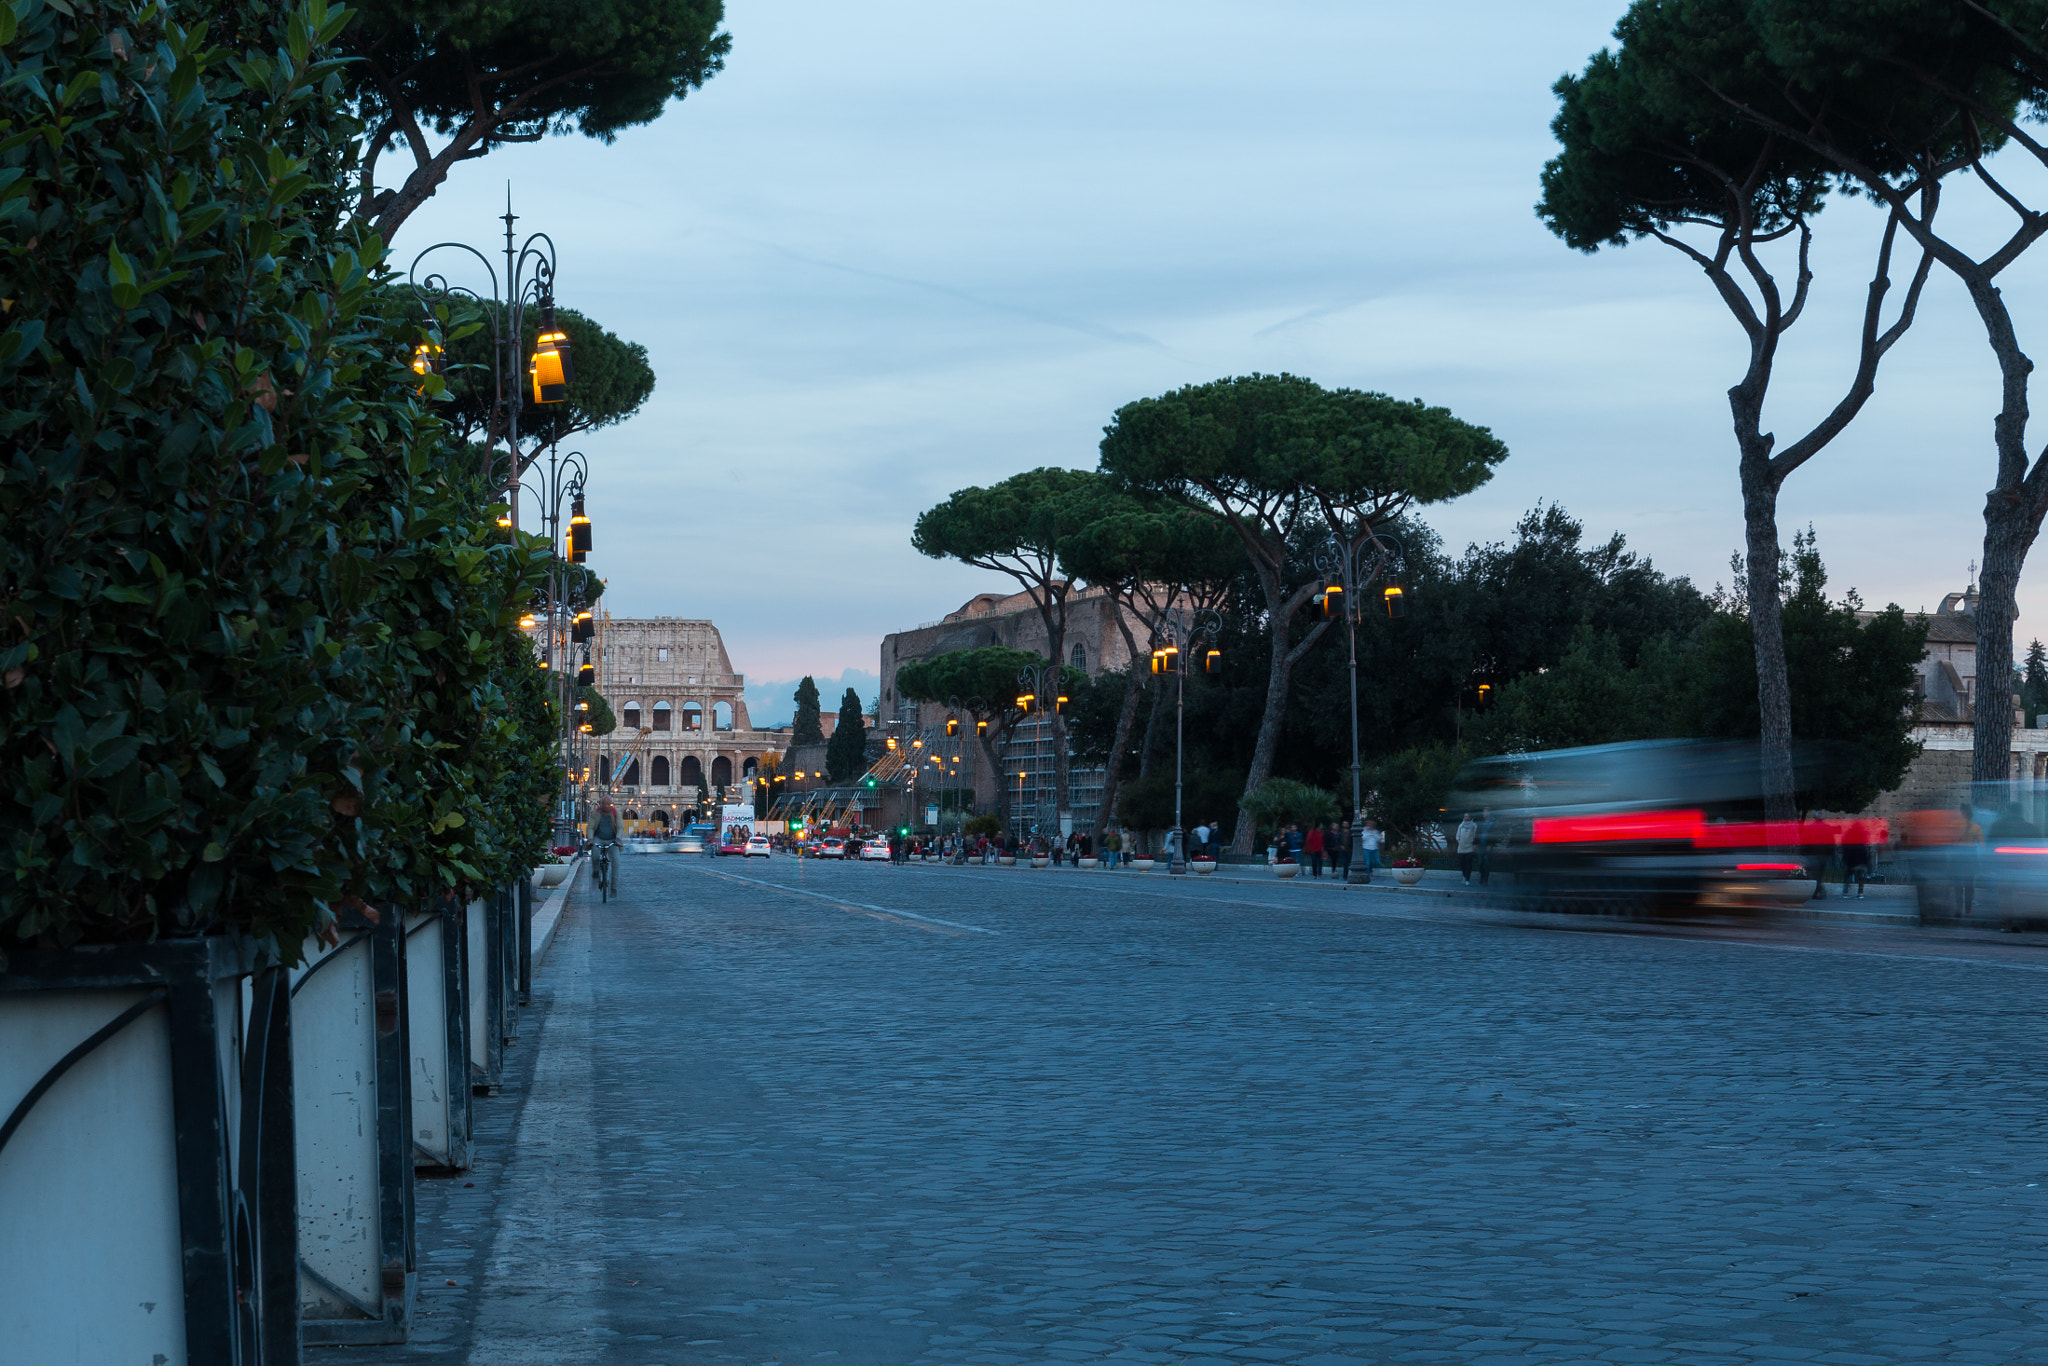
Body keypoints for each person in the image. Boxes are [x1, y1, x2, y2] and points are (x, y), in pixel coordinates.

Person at [1456, 812, 1479, 883]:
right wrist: (1459, 842)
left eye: (1467, 816)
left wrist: (1474, 844)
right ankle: (1464, 875)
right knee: (1462, 863)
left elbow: (1475, 836)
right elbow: (1457, 836)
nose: (1466, 818)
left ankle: (1467, 879)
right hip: (1461, 847)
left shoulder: (1474, 825)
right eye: (1465, 816)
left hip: (1469, 847)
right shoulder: (1461, 825)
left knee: (1468, 863)